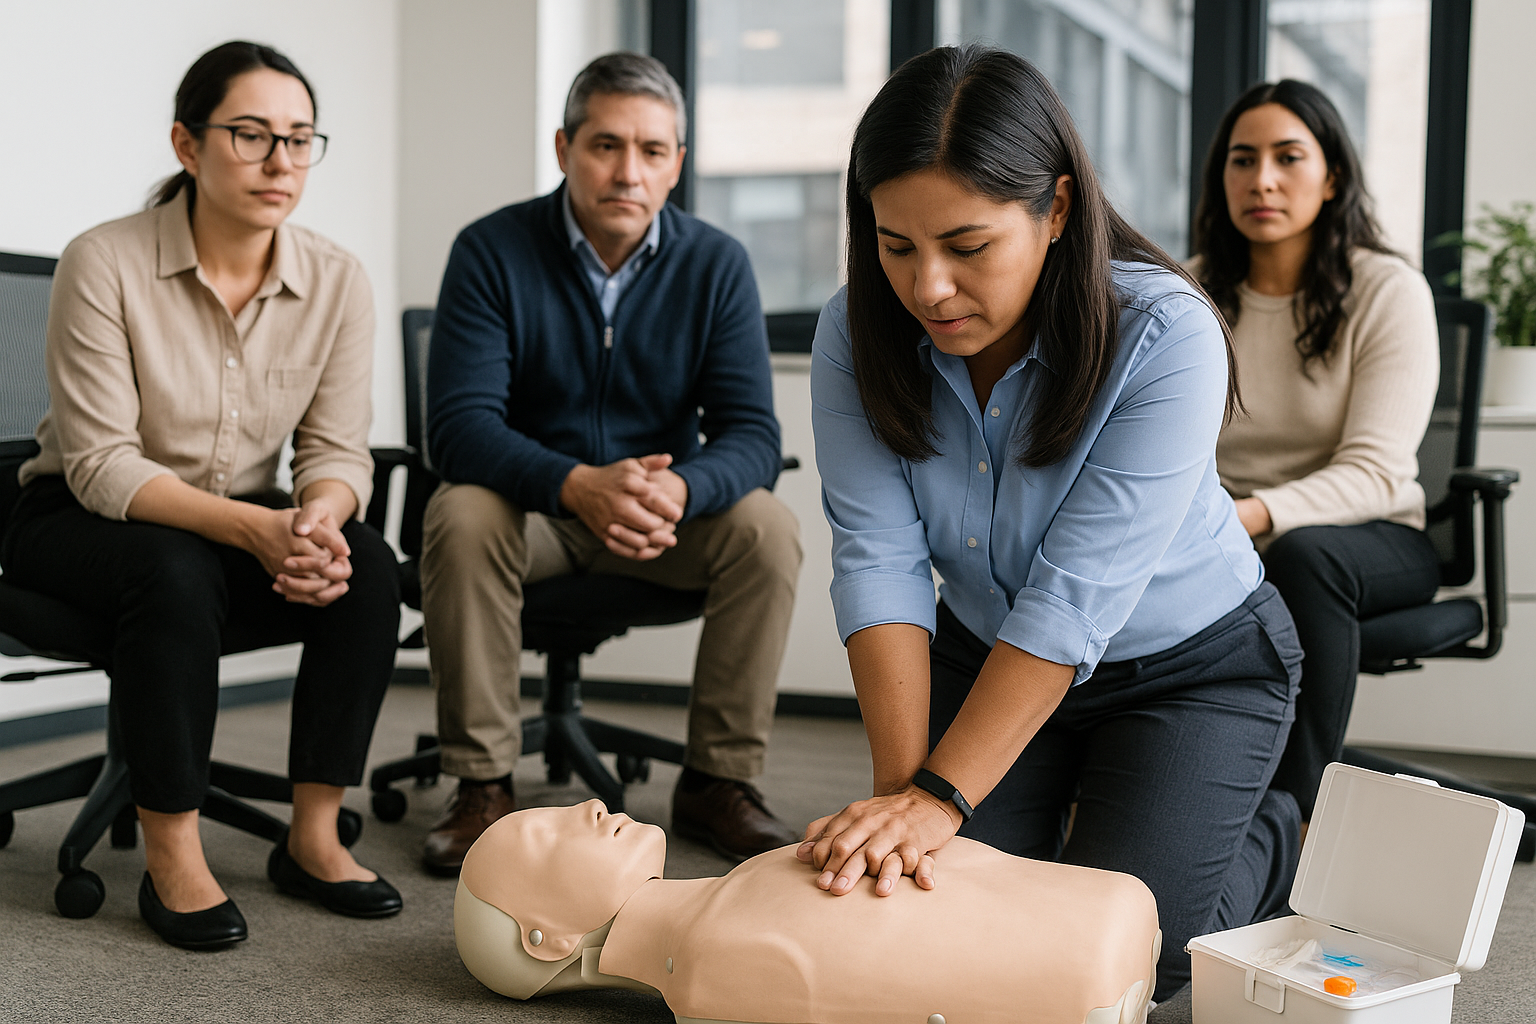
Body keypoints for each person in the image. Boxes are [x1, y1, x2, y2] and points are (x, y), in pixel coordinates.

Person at [804, 45, 1304, 1001]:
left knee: (1121, 965)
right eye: (896, 245)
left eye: (968, 245)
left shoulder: (1168, 335)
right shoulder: (854, 331)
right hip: (986, 652)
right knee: (935, 923)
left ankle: (1273, 828)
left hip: (1189, 670)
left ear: (1058, 209)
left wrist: (941, 799)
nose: (929, 289)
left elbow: (1073, 601)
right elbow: (880, 561)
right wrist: (903, 810)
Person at [2, 41, 403, 949]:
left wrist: (315, 523)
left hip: (237, 523)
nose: (280, 163)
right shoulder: (102, 261)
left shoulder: (336, 279)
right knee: (175, 571)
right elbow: (102, 463)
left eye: (301, 140)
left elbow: (338, 451)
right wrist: (257, 532)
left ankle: (311, 836)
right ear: (187, 144)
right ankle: (173, 850)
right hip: (73, 515)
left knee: (368, 566)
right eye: (252, 135)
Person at [420, 52, 803, 874]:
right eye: (605, 146)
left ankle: (717, 781)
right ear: (563, 149)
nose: (629, 172)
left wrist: (678, 486)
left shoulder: (717, 264)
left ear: (677, 165)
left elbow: (752, 437)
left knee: (767, 528)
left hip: (662, 517)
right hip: (537, 513)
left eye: (652, 151)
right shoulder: (491, 251)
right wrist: (576, 486)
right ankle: (482, 782)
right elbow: (455, 430)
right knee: (458, 509)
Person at [1192, 80, 1441, 822]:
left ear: (1331, 177)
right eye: (1242, 160)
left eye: (1287, 157)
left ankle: (1294, 818)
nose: (1261, 179)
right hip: (1227, 527)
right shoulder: (1194, 289)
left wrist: (1250, 516)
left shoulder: (1387, 290)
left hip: (1374, 538)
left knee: (1306, 557)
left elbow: (1375, 472)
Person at [454, 800, 1162, 1024]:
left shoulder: (731, 900)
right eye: (543, 836)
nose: (586, 806)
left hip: (1096, 920)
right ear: (547, 940)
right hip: (1086, 966)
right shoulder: (710, 975)